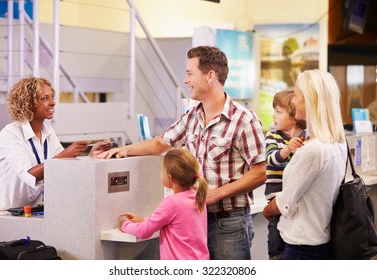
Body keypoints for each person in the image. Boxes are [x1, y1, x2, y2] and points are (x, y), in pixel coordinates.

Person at [96, 45, 266, 260]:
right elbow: (161, 143)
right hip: (194, 221)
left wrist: (214, 194)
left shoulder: (243, 120)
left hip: (228, 223)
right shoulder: (192, 116)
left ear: (210, 75)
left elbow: (260, 172)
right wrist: (123, 150)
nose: (186, 80)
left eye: (189, 73)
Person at [0, 77, 111, 212]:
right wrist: (63, 155)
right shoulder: (10, 133)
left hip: (26, 210)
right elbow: (28, 175)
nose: (53, 103)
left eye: (52, 97)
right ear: (29, 103)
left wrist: (91, 155)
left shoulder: (48, 132)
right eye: (45, 98)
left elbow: (63, 168)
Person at [263, 69, 347, 260]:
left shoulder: (312, 150)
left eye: (298, 95)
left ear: (310, 101)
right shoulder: (337, 142)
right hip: (321, 237)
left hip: (302, 245)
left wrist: (268, 211)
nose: (293, 101)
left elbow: (286, 203)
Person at [119, 148, 209, 260]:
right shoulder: (197, 197)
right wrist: (143, 220)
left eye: (162, 170)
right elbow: (176, 223)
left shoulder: (172, 203)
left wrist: (124, 225)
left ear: (170, 177)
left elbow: (143, 231)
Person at [264, 89, 307, 260]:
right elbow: (270, 159)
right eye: (274, 110)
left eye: (279, 111)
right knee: (277, 250)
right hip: (276, 204)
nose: (273, 115)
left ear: (295, 115)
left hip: (298, 205)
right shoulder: (272, 135)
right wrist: (288, 149)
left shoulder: (306, 136)